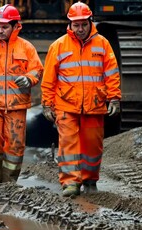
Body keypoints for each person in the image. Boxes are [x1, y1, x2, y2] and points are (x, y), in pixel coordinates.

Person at [41, 1, 121, 197]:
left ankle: (90, 180)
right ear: (70, 24)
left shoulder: (102, 44)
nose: (80, 29)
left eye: (84, 24)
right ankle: (70, 183)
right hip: (66, 104)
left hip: (94, 104)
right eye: (76, 25)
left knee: (93, 146)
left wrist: (114, 98)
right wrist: (47, 104)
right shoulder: (58, 46)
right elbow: (49, 79)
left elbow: (112, 73)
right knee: (68, 144)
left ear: (90, 22)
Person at [0, 4, 44, 190]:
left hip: (17, 106)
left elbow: (37, 70)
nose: (0, 30)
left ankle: (9, 179)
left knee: (15, 143)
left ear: (14, 26)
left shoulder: (26, 48)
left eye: (4, 27)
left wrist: (29, 79)